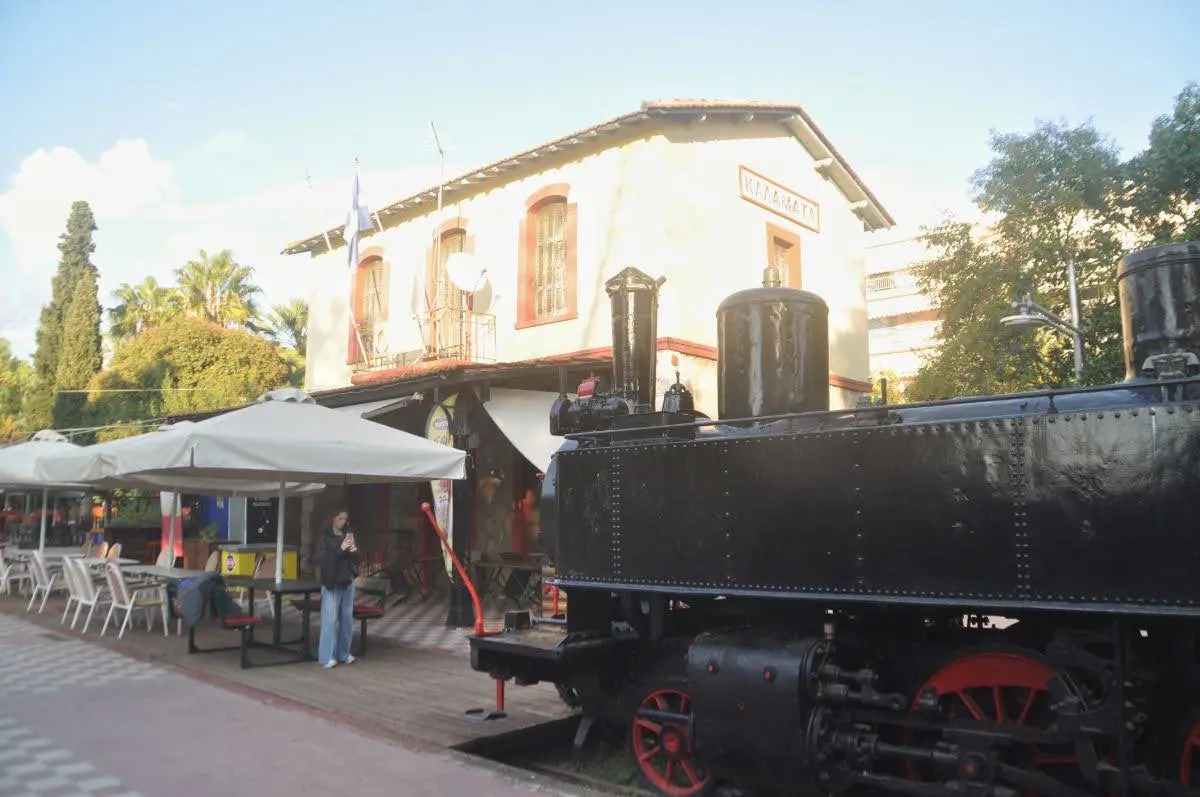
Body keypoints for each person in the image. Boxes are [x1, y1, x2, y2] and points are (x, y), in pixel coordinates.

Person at [314, 508, 361, 668]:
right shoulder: (324, 539)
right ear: (332, 519)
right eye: (340, 518)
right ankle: (327, 656)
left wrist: (354, 549)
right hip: (332, 582)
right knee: (330, 619)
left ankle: (343, 653)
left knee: (347, 619)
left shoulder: (347, 536)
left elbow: (357, 558)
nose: (343, 522)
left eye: (345, 519)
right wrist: (341, 549)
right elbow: (322, 559)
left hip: (347, 580)